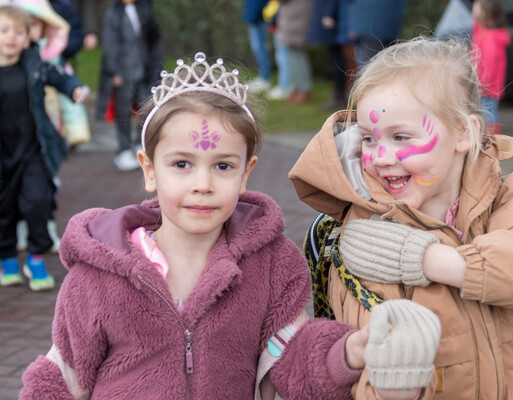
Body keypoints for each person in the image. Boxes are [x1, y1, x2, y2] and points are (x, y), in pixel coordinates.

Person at [19, 52, 380, 398]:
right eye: (181, 164)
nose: (203, 184)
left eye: (222, 166)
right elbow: (61, 379)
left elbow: (293, 356)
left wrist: (346, 355)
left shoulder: (270, 268)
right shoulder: (98, 276)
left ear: (244, 174)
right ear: (149, 170)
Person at [289, 37, 513, 398]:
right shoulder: (369, 234)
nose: (383, 157)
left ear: (463, 133)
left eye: (401, 136)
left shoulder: (507, 196)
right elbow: (370, 360)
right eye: (369, 139)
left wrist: (424, 258)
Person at [0, 5, 87, 291]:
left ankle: (36, 257)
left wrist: (74, 88)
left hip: (33, 150)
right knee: (5, 209)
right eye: (3, 31)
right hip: (3, 156)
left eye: (18, 32)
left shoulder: (35, 63)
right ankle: (8, 258)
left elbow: (58, 75)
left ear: (28, 38)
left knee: (38, 202)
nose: (11, 37)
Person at [97, 0, 163, 171]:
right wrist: (114, 72)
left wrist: (154, 65)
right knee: (123, 111)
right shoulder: (113, 13)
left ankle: (139, 144)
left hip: (143, 69)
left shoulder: (144, 10)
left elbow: (153, 39)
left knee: (146, 107)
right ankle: (124, 149)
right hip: (123, 71)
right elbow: (109, 44)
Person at [471, 0, 511, 135]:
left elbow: (490, 64)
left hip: (487, 85)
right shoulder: (482, 31)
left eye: (476, 8)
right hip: (484, 83)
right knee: (486, 111)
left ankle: (491, 140)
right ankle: (488, 137)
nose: (473, 11)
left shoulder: (490, 36)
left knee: (488, 112)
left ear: (485, 12)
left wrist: (482, 84)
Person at [276, 0, 314, 104]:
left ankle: (303, 90)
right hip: (294, 15)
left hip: (296, 16)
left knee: (297, 55)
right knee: (294, 55)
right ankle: (298, 88)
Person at [348, 0, 406, 68]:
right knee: (389, 64)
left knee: (368, 67)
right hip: (389, 29)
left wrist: (355, 27)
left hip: (368, 31)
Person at [243, 0, 272, 93]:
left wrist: (250, 17)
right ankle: (263, 77)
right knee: (258, 48)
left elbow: (256, 3)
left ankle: (265, 78)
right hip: (256, 18)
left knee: (260, 48)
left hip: (257, 19)